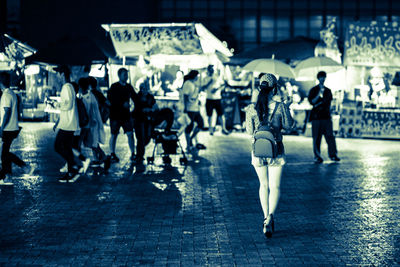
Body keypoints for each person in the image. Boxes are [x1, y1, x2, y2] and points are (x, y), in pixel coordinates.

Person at [245, 73, 294, 238]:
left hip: (257, 151)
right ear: (275, 89)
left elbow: (250, 131)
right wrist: (286, 106)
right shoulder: (280, 106)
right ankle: (270, 217)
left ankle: (265, 216)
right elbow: (288, 126)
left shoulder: (252, 108)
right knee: (275, 186)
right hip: (276, 149)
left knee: (263, 185)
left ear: (260, 87)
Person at [0, 72, 34, 185]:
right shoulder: (12, 93)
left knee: (4, 154)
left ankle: (25, 167)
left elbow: (7, 112)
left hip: (8, 128)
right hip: (12, 127)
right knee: (5, 154)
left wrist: (1, 127)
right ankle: (8, 176)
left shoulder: (6, 95)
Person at [54, 71, 82, 183]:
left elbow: (68, 105)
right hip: (69, 123)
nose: (57, 77)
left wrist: (57, 105)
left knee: (58, 146)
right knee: (67, 147)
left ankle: (74, 166)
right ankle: (71, 172)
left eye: (57, 74)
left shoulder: (66, 87)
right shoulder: (69, 86)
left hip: (67, 124)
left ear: (62, 74)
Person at [307, 71, 340, 164]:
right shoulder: (313, 90)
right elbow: (312, 102)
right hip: (316, 117)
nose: (322, 78)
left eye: (324, 77)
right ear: (318, 78)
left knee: (330, 136)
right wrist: (319, 94)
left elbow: (329, 102)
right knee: (317, 137)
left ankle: (333, 154)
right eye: (321, 77)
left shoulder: (328, 90)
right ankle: (317, 156)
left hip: (326, 117)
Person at [107, 68, 137, 163]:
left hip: (126, 115)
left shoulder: (129, 87)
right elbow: (110, 100)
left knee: (130, 134)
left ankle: (133, 153)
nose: (126, 76)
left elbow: (135, 98)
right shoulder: (114, 86)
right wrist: (121, 104)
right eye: (124, 74)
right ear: (119, 75)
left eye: (127, 74)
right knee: (114, 135)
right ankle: (112, 154)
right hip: (115, 115)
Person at [182, 70, 206, 151]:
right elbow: (185, 96)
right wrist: (185, 107)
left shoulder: (193, 84)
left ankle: (191, 139)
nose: (198, 78)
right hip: (189, 109)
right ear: (194, 76)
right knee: (189, 126)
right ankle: (188, 145)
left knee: (200, 124)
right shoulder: (188, 84)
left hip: (195, 108)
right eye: (197, 76)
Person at [204, 65, 229, 135]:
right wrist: (210, 82)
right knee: (209, 115)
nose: (211, 70)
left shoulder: (217, 77)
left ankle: (224, 128)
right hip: (209, 98)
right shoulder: (205, 78)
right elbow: (203, 87)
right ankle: (210, 130)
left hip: (217, 98)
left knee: (221, 114)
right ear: (208, 70)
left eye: (212, 69)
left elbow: (223, 85)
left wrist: (217, 89)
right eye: (210, 69)